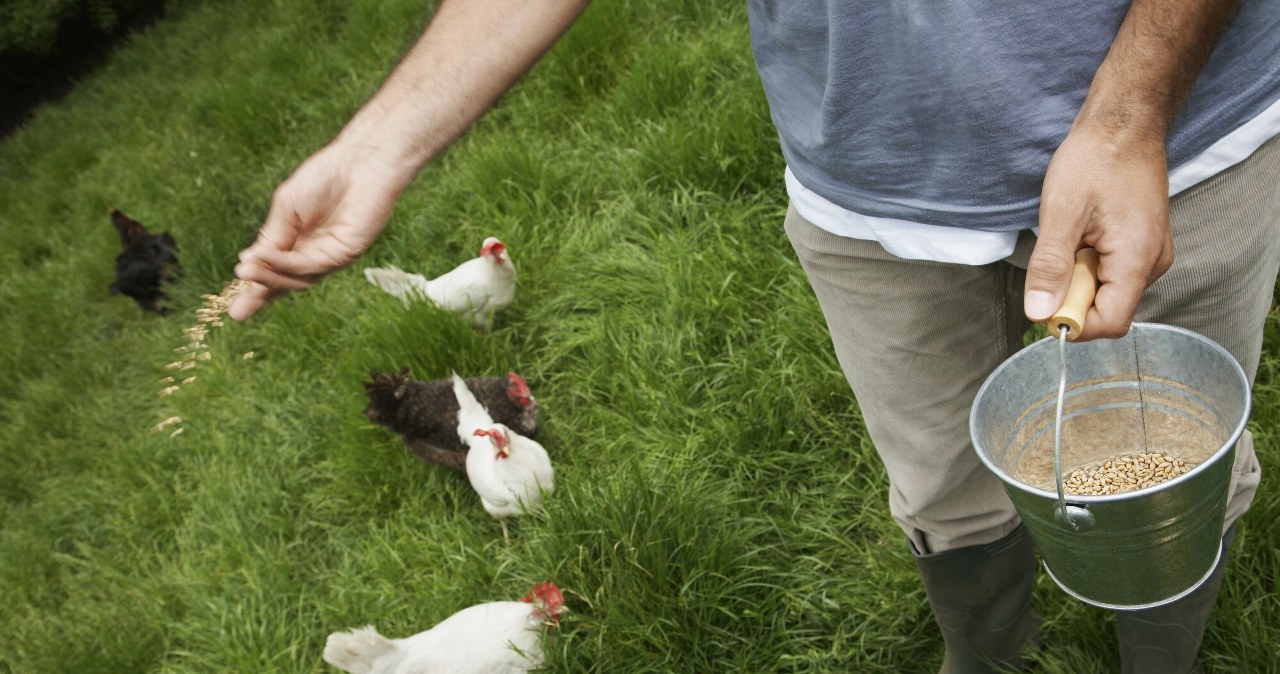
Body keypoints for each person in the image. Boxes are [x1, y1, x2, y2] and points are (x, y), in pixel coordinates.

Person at [230, 1, 1280, 672]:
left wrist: (1127, 112)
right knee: (941, 492)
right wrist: (380, 141)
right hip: (867, 189)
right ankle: (988, 655)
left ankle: (1161, 659)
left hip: (1181, 140)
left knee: (1168, 492)